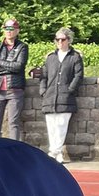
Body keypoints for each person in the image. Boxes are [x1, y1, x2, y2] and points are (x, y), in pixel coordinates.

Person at [39, 27, 84, 161]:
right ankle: (55, 152)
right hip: (50, 96)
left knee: (61, 126)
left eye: (62, 39)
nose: (59, 42)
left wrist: (70, 89)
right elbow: (44, 75)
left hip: (65, 96)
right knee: (51, 126)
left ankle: (55, 151)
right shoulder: (50, 57)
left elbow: (78, 75)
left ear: (68, 40)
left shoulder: (75, 56)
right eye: (57, 39)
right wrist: (43, 90)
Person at [0, 17, 28, 141]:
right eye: (7, 29)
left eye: (12, 29)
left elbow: (19, 66)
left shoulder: (22, 47)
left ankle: (13, 151)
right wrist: (9, 66)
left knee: (13, 123)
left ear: (17, 31)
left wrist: (1, 63)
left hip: (14, 91)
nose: (9, 31)